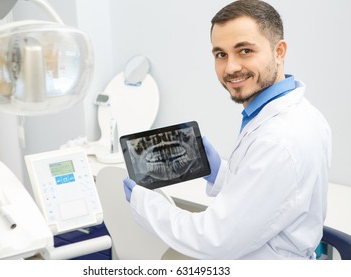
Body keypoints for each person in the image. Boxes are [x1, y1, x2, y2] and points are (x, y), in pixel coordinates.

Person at [123, 0, 331, 259]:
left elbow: (214, 240)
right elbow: (268, 199)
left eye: (244, 51)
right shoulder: (299, 113)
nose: (230, 67)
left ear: (279, 51)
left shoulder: (278, 139)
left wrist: (147, 205)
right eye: (221, 54)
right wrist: (219, 172)